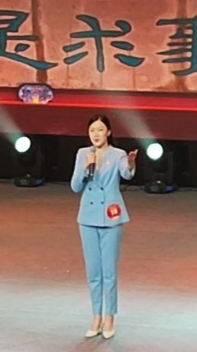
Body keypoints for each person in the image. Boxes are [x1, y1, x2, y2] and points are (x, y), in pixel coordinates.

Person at [70, 115, 137, 339]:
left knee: (109, 271)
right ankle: (96, 316)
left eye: (100, 130)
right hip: (87, 217)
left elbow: (126, 173)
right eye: (92, 130)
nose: (96, 134)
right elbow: (75, 186)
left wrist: (131, 164)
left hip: (110, 216)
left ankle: (110, 317)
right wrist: (86, 167)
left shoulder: (117, 154)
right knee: (93, 271)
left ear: (108, 132)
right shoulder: (83, 154)